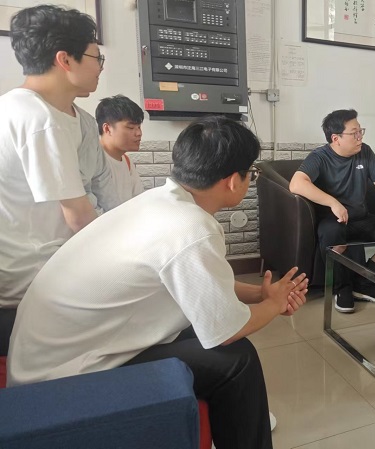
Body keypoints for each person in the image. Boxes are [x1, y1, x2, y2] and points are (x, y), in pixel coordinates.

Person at [8, 116, 308, 449]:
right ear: (232, 181)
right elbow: (227, 330)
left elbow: (199, 281)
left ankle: (240, 415)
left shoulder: (161, 201)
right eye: (250, 173)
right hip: (60, 382)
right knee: (237, 359)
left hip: (44, 358)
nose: (250, 180)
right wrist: (275, 304)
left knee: (197, 331)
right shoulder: (191, 228)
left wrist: (259, 294)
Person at [0, 5, 106, 356]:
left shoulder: (32, 110)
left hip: (43, 269)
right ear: (65, 60)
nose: (99, 67)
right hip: (33, 286)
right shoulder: (38, 118)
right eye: (96, 57)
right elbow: (78, 218)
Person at [289, 109, 375, 313]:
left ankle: (365, 280)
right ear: (336, 138)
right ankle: (342, 287)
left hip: (361, 217)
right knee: (333, 235)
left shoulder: (365, 152)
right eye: (354, 133)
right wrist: (333, 203)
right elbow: (296, 183)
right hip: (333, 220)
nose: (360, 137)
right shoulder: (320, 157)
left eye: (360, 131)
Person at [96, 95, 146, 203]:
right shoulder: (93, 161)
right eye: (130, 127)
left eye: (139, 127)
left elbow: (138, 200)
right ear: (107, 129)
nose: (139, 133)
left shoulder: (127, 162)